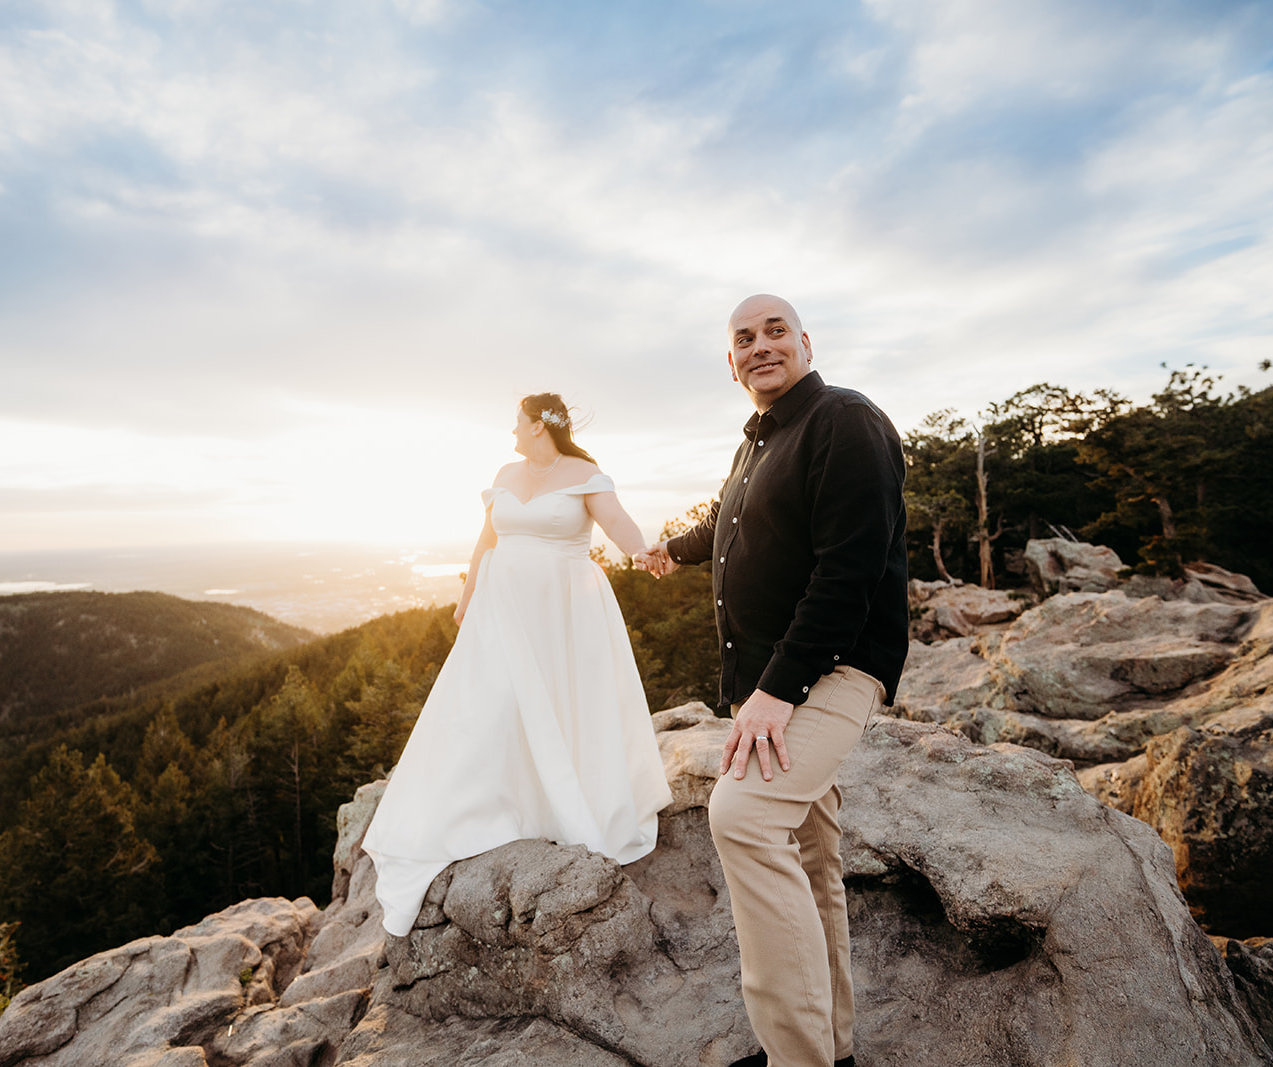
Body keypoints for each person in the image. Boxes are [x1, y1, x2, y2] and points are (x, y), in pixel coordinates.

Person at [637, 295, 908, 1067]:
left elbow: (849, 570)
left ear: (806, 342)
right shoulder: (759, 441)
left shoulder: (843, 421)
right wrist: (677, 551)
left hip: (829, 670)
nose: (760, 346)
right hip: (775, 682)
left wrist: (777, 688)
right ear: (731, 362)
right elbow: (734, 518)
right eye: (743, 338)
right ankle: (834, 1048)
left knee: (744, 814)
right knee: (815, 858)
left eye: (775, 331)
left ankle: (798, 1058)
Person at [362, 392, 673, 937]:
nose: (512, 431)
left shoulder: (585, 473)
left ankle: (563, 799)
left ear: (540, 426)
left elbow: (619, 525)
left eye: (518, 423)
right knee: (494, 703)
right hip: (500, 608)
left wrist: (645, 553)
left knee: (559, 699)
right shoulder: (506, 471)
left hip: (563, 608)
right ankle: (497, 800)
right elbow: (486, 539)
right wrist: (466, 597)